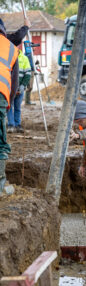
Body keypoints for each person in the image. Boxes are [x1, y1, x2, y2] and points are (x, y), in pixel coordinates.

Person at [0, 22, 19, 195]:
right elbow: (14, 85)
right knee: (0, 144)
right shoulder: (12, 49)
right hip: (0, 95)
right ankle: (0, 187)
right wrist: (8, 104)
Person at [7, 49, 31, 133]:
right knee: (9, 107)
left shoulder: (24, 58)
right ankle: (11, 125)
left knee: (17, 107)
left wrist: (22, 85)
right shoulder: (8, 58)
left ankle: (17, 125)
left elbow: (28, 74)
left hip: (20, 88)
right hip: (10, 88)